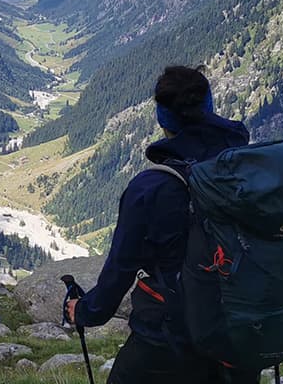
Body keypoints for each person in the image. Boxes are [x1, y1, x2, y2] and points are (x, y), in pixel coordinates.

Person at [65, 65, 256, 384]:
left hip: (169, 341)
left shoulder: (152, 187)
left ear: (162, 119)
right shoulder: (248, 170)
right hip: (241, 336)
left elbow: (120, 270)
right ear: (209, 109)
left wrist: (83, 311)